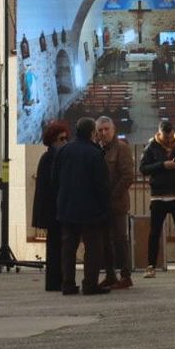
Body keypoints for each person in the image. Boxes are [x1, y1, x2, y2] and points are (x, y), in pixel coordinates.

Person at [54, 118, 110, 296]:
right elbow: (101, 185)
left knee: (68, 248)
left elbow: (54, 179)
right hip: (90, 209)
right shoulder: (95, 154)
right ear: (92, 133)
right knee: (93, 247)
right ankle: (90, 284)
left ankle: (68, 284)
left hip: (67, 207)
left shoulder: (63, 151)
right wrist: (104, 207)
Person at [139, 118, 175, 276]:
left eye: (171, 137)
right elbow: (143, 168)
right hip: (158, 196)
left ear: (173, 133)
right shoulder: (151, 146)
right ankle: (151, 266)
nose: (169, 141)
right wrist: (163, 165)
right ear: (159, 134)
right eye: (166, 138)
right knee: (155, 233)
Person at [95, 116, 136, 290]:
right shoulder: (97, 150)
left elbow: (128, 176)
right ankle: (110, 275)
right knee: (105, 242)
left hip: (117, 204)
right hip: (100, 206)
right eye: (100, 130)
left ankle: (125, 276)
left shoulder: (122, 148)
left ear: (113, 130)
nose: (104, 133)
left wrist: (112, 195)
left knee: (120, 240)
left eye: (107, 129)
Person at [30, 120, 69, 292]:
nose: (65, 142)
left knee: (57, 246)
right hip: (52, 211)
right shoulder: (49, 158)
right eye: (61, 139)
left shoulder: (55, 157)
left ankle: (57, 280)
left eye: (66, 138)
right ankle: (54, 282)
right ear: (53, 140)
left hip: (55, 210)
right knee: (54, 247)